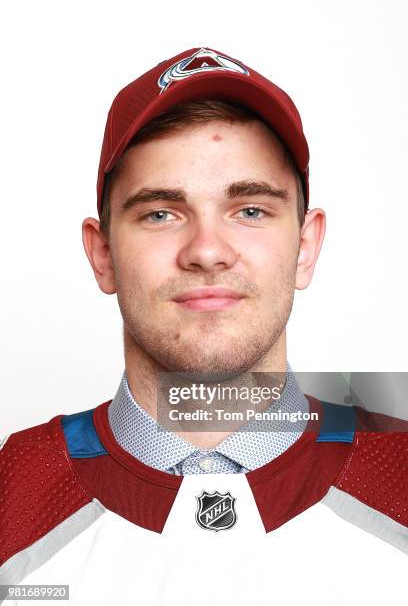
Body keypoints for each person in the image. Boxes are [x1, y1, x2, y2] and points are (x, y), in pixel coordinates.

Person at [1, 46, 407, 606]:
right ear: (104, 255)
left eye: (250, 210)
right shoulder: (13, 494)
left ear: (306, 247)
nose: (208, 251)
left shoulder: (400, 475)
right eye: (161, 213)